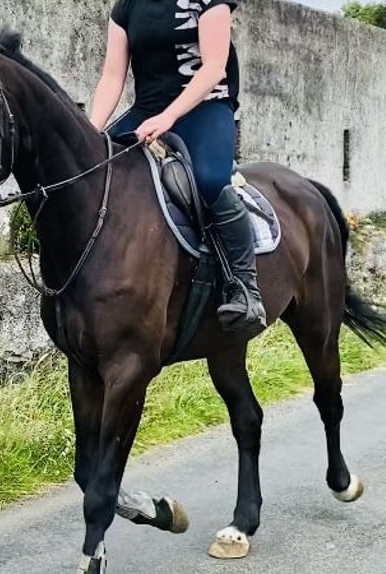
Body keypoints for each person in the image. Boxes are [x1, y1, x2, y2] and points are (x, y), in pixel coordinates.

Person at [89, 0, 266, 335]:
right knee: (96, 172)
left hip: (205, 107)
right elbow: (112, 77)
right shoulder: (126, 7)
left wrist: (170, 116)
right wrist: (91, 134)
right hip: (147, 110)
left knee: (211, 180)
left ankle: (244, 286)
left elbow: (214, 67)